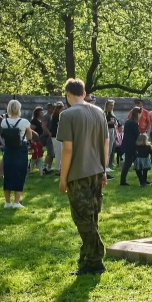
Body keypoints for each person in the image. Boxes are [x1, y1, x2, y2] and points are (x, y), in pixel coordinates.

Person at [56, 78, 110, 275]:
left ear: (68, 95)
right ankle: (87, 252)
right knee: (92, 216)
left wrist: (63, 178)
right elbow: (106, 143)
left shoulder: (67, 115)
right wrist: (104, 170)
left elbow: (67, 149)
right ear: (84, 93)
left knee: (82, 218)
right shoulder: (99, 112)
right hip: (96, 171)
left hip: (78, 174)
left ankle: (95, 259)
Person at [1, 100, 33, 208]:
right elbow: (29, 135)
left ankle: (7, 202)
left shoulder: (4, 121)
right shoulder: (24, 122)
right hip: (21, 149)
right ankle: (16, 202)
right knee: (19, 174)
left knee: (8, 174)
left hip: (9, 149)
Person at [119, 107, 141, 186]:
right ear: (138, 113)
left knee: (133, 163)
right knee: (128, 164)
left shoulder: (128, 122)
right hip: (131, 146)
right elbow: (137, 135)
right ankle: (122, 181)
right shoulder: (134, 123)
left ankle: (142, 180)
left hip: (127, 144)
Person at [30, 106, 46, 174]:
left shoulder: (40, 121)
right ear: (37, 113)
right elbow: (31, 130)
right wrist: (33, 140)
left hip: (40, 140)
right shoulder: (34, 121)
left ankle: (39, 168)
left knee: (39, 154)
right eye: (41, 111)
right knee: (35, 154)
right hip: (35, 141)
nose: (43, 112)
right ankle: (30, 167)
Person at [50, 102, 64, 173]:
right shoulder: (56, 116)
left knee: (61, 152)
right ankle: (57, 169)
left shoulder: (57, 116)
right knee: (58, 153)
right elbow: (60, 125)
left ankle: (60, 168)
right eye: (62, 109)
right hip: (55, 136)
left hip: (58, 136)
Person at [41, 103, 55, 174]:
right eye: (52, 108)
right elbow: (44, 126)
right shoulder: (45, 116)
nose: (53, 109)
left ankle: (48, 168)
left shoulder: (52, 116)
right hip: (48, 137)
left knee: (52, 153)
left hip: (53, 136)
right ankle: (44, 168)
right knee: (50, 153)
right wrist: (49, 134)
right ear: (48, 108)